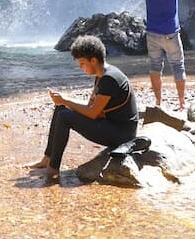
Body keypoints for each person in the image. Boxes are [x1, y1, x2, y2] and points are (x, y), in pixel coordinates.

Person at [25, 35, 139, 183]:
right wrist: (63, 100)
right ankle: (47, 159)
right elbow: (91, 106)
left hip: (121, 135)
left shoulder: (109, 79)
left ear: (93, 60)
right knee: (61, 108)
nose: (80, 67)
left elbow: (92, 113)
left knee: (65, 116)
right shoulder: (103, 75)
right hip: (112, 125)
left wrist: (66, 100)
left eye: (82, 63)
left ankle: (53, 169)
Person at [137, 0, 185, 109]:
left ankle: (158, 101)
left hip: (153, 34)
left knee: (155, 67)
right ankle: (181, 102)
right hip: (172, 33)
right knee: (178, 66)